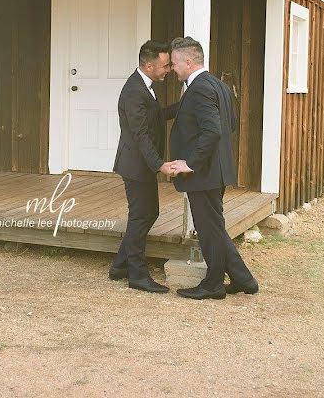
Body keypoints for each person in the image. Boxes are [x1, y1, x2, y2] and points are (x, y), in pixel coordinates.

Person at [163, 37, 259, 300]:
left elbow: (213, 131)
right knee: (213, 227)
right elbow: (231, 123)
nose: (172, 69)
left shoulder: (201, 89)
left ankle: (213, 284)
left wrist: (190, 163)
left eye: (174, 63)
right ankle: (243, 279)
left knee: (208, 229)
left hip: (203, 173)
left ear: (188, 61)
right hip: (214, 171)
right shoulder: (216, 85)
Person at [109, 40, 173, 293]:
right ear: (149, 65)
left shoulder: (144, 85)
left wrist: (183, 106)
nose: (168, 69)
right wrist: (160, 165)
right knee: (140, 216)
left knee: (149, 213)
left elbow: (155, 116)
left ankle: (120, 265)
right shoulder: (135, 91)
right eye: (164, 65)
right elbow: (140, 134)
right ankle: (137, 275)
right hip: (136, 164)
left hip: (142, 163)